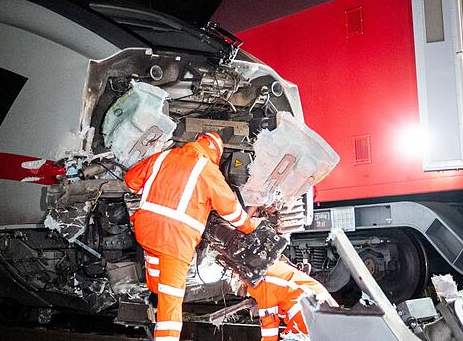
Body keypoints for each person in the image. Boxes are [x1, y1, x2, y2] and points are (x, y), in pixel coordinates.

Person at [125, 131, 256, 341]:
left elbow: (131, 180)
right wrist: (249, 228)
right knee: (171, 299)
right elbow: (230, 209)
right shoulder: (207, 169)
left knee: (155, 267)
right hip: (175, 242)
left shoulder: (164, 156)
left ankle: (153, 295)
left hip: (146, 232)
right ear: (216, 153)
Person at [245, 258, 337, 341]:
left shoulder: (261, 283)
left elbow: (269, 326)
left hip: (310, 320)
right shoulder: (271, 268)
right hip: (325, 314)